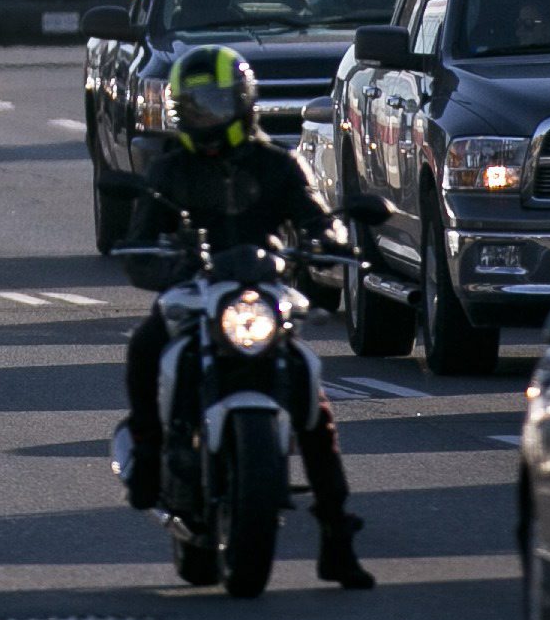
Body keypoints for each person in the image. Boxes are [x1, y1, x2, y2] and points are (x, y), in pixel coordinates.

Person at [119, 45, 374, 590]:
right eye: (191, 107)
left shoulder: (277, 163)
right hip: (196, 291)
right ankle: (145, 451)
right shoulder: (170, 169)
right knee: (145, 346)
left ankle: (336, 536)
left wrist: (331, 239)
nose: (202, 117)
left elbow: (315, 216)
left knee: (313, 400)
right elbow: (141, 234)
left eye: (212, 104)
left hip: (262, 293)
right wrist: (148, 257)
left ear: (242, 103)